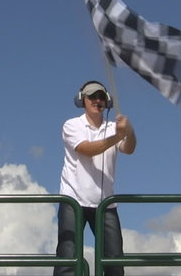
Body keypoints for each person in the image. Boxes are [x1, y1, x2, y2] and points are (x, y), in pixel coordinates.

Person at [54, 80, 136, 276]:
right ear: (82, 100)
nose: (97, 100)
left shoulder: (112, 127)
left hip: (106, 203)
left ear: (107, 102)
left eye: (101, 97)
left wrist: (129, 131)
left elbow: (129, 148)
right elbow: (87, 150)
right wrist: (118, 136)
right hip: (73, 200)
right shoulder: (72, 125)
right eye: (92, 96)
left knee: (115, 262)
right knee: (68, 259)